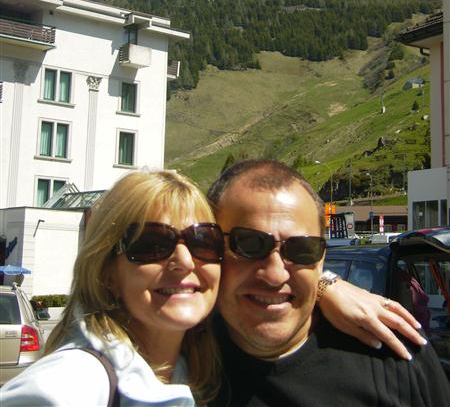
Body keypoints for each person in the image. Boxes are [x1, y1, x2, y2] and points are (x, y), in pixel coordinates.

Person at [207, 159, 450, 406]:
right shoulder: (185, 359)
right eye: (249, 244)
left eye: (302, 249)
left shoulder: (397, 353)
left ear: (321, 259)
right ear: (210, 246)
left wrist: (324, 284)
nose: (275, 274)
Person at [1, 170, 225, 406]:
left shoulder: (199, 376)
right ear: (106, 272)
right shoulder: (66, 387)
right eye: (153, 244)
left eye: (203, 241)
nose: (185, 261)